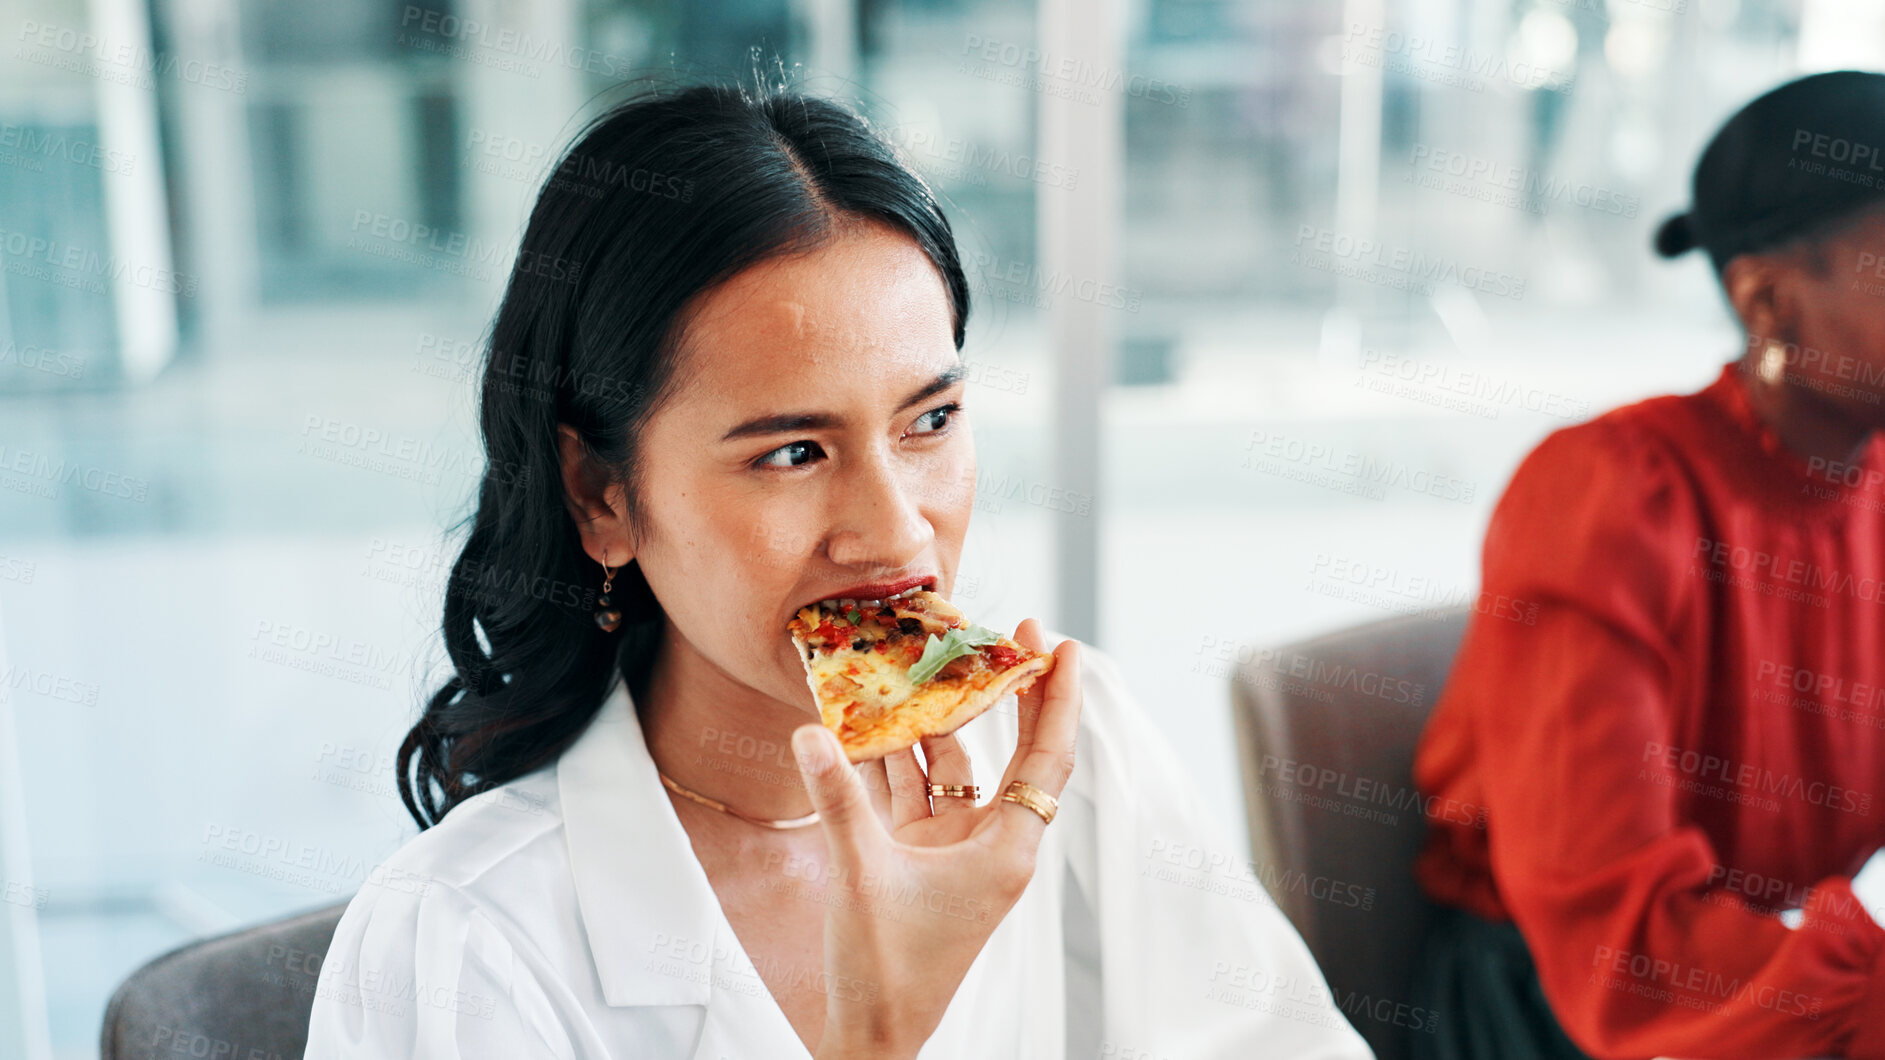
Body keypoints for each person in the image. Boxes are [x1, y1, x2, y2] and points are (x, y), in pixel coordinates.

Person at [303, 81, 1372, 1059]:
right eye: (792, 453)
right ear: (601, 496)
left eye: (930, 421)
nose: (895, 533)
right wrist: (875, 1037)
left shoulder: (1072, 751)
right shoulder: (457, 943)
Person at [1408, 71, 1885, 1060]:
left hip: (1773, 977)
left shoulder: (1869, 482)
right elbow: (1619, 939)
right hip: (1567, 1006)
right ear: (1767, 300)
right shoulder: (1611, 496)